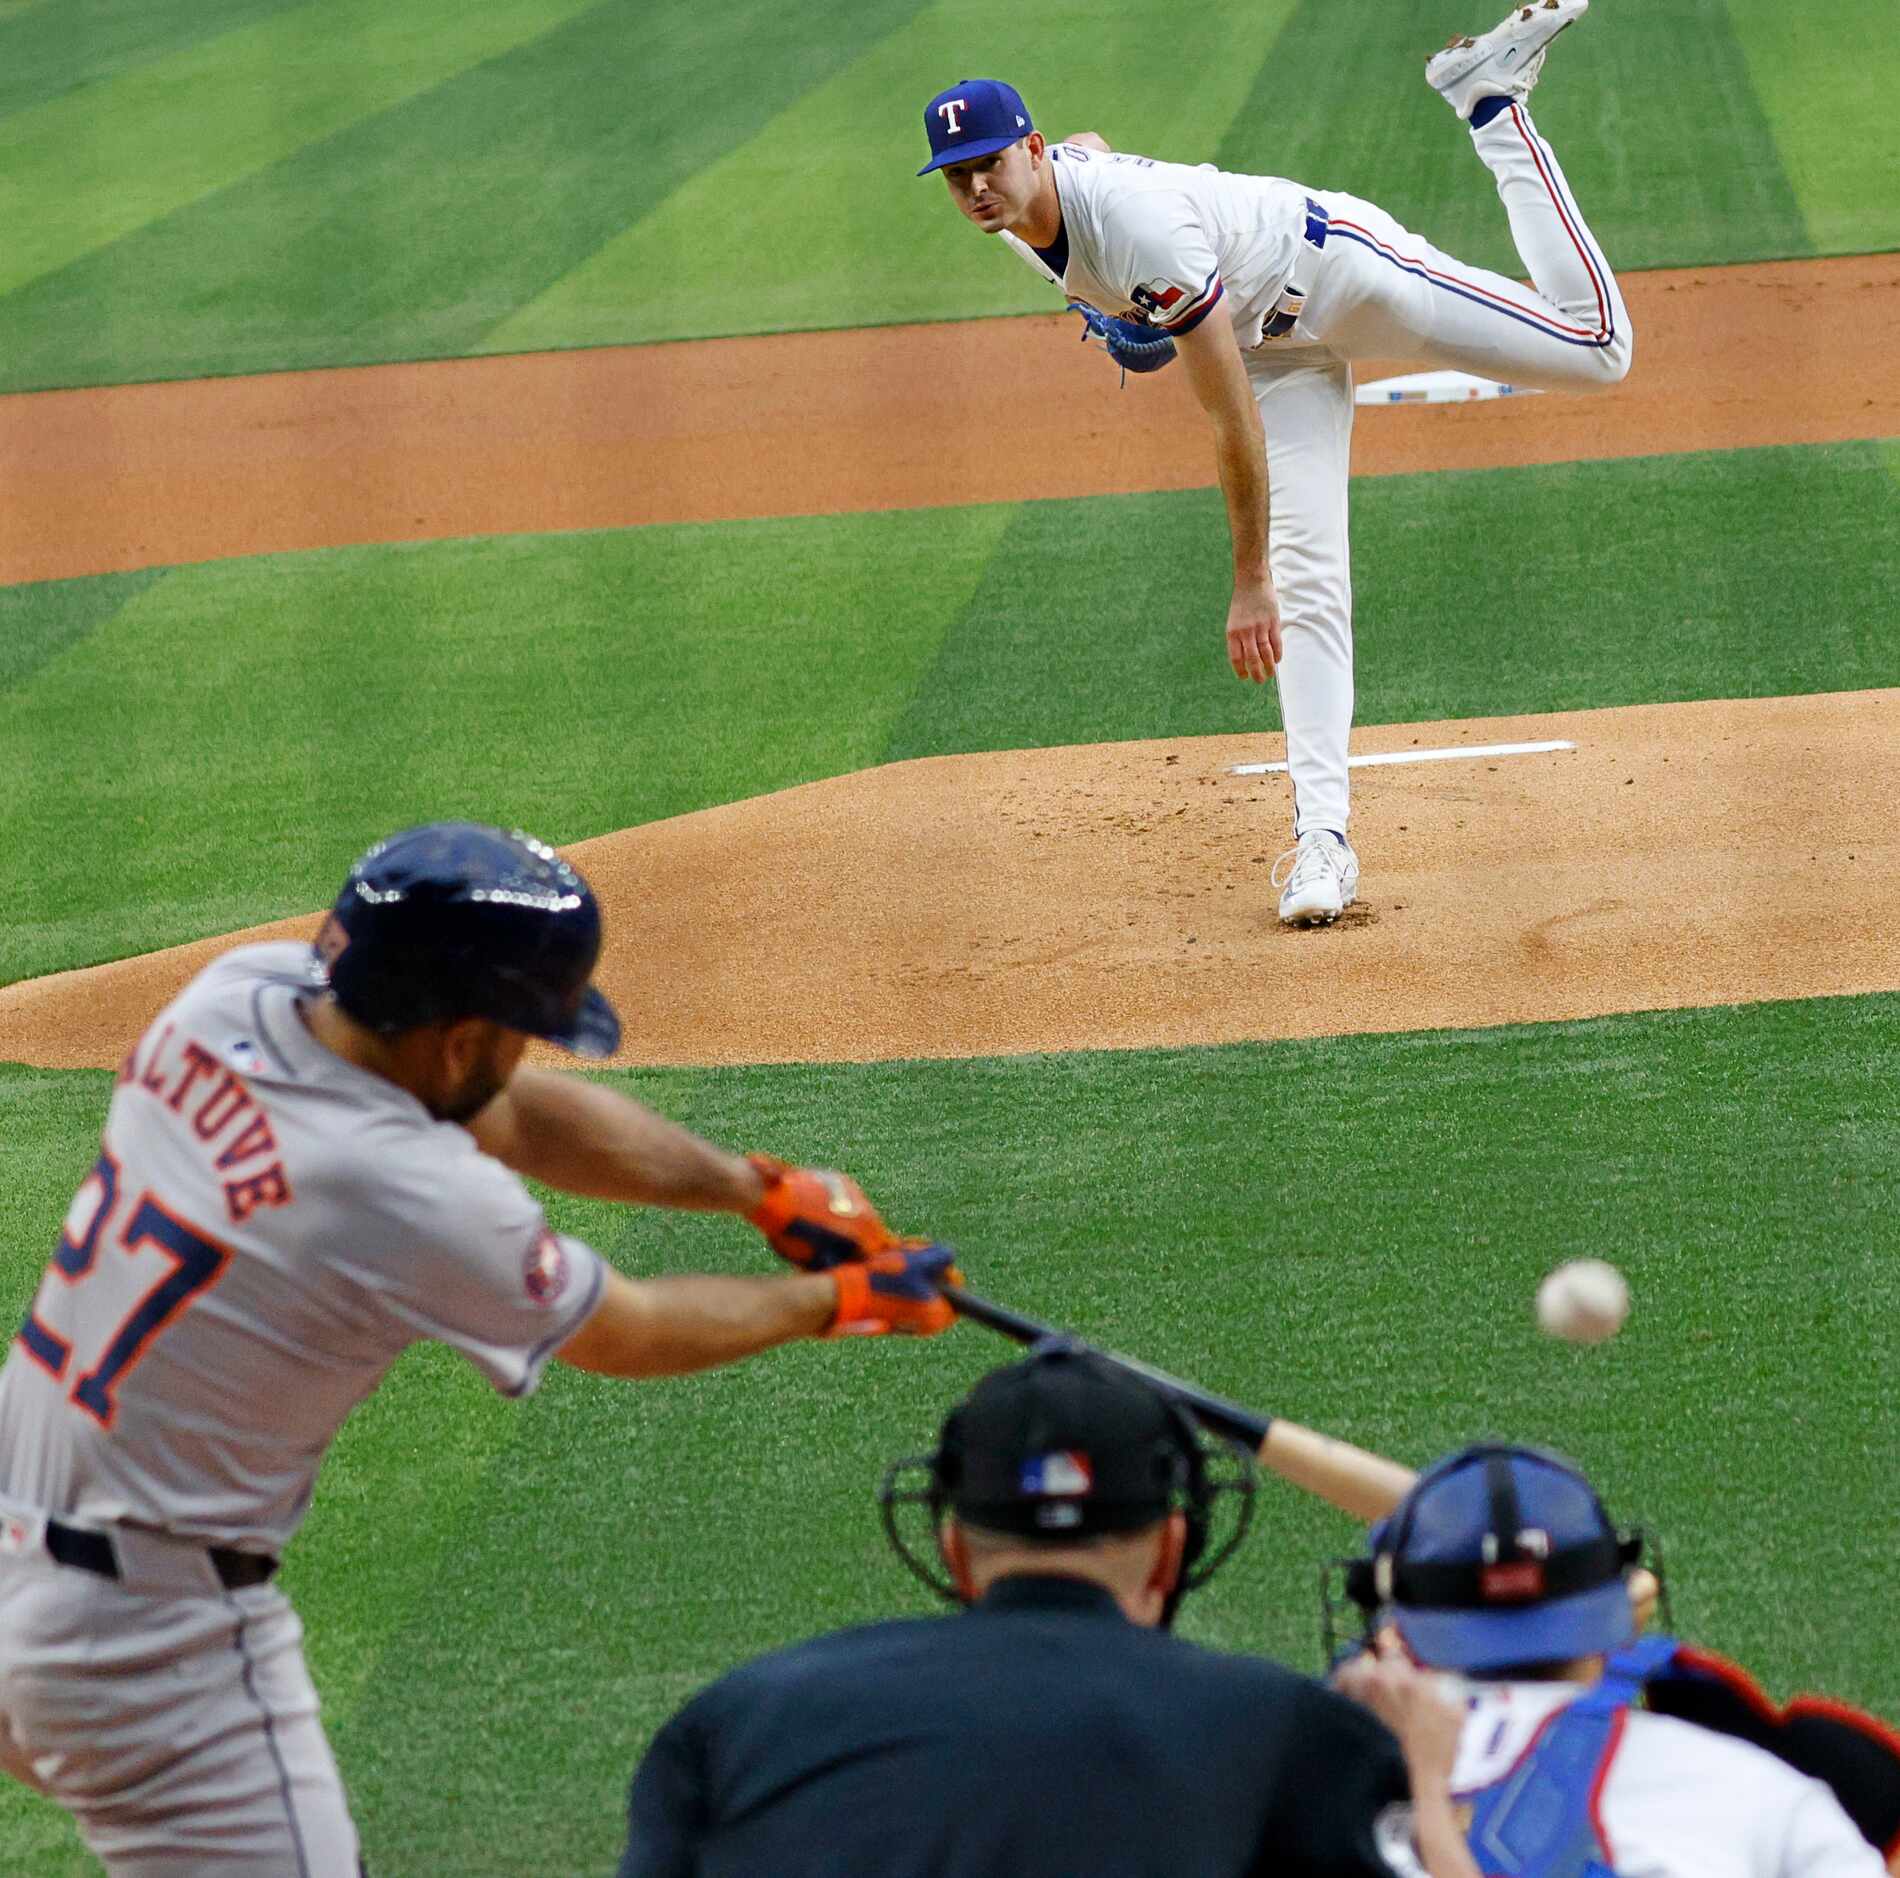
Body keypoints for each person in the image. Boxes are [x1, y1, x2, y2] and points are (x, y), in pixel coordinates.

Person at [0, 820, 957, 1875]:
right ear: (456, 1039)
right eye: (511, 1032)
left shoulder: (232, 999)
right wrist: (837, 1299)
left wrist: (753, 1188)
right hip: (143, 1651)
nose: (517, 1054)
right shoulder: (406, 1196)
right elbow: (623, 1332)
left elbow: (511, 1116)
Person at [917, 1, 1632, 926]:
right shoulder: (1024, 212)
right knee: (1312, 583)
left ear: (1033, 150)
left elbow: (1227, 418)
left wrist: (1248, 579)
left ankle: (1489, 102)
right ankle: (1323, 844)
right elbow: (1096, 152)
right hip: (1268, 343)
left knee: (1597, 347)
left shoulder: (1139, 234)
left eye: (992, 164)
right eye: (958, 175)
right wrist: (1126, 314)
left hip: (1340, 272)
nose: (977, 188)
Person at [620, 1344, 1483, 1878]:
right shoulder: (1290, 1736)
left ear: (955, 1551)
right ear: (1172, 1549)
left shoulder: (734, 1726)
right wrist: (1431, 1782)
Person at [1330, 1443, 1898, 1874]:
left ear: (1398, 1635)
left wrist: (1428, 1791)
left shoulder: (1311, 1798)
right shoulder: (1767, 1795)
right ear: (1611, 1618)